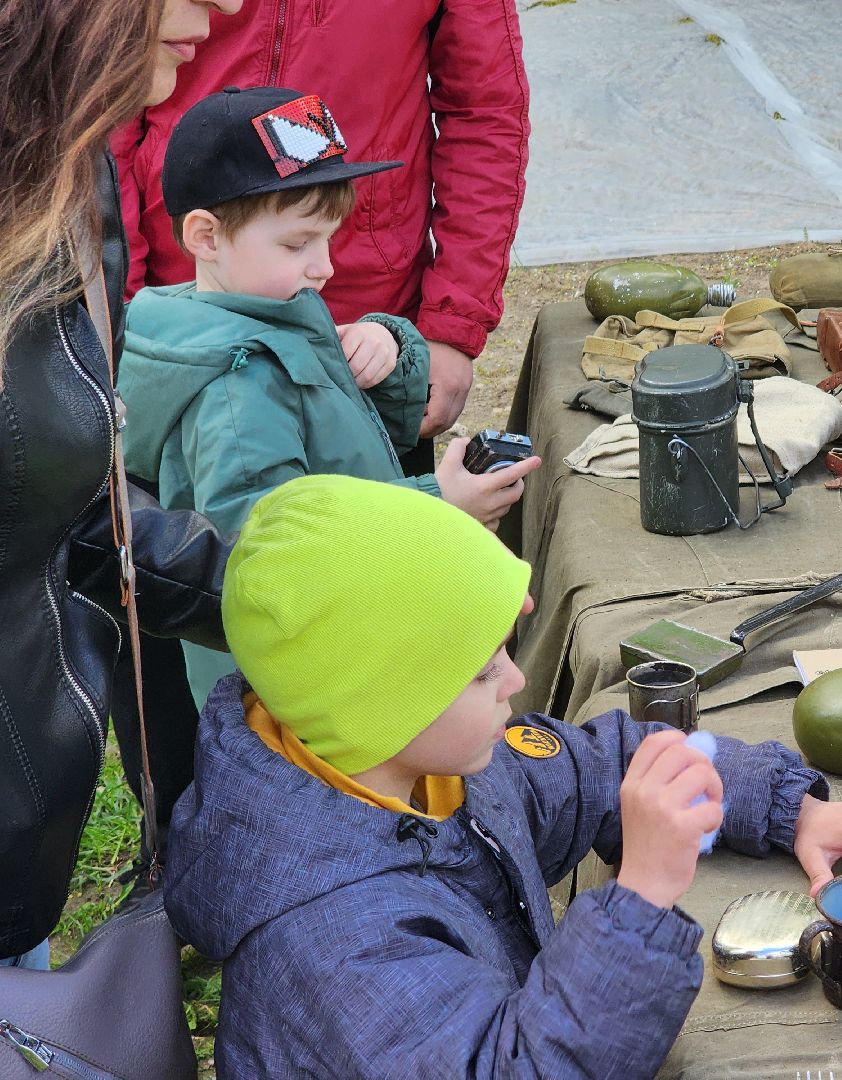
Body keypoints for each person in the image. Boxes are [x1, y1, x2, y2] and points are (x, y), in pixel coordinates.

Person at [164, 474, 842, 1077]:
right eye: (481, 672)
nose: (514, 682)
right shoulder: (330, 944)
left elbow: (604, 767)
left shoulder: (426, 767)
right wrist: (641, 897)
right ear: (379, 704)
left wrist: (786, 811)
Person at [108, 0, 530, 861]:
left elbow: (345, 429)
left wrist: (398, 347)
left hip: (327, 633)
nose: (326, 269)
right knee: (294, 830)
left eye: (330, 238)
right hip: (285, 680)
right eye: (302, 242)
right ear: (204, 236)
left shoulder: (271, 306)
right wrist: (433, 502)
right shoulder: (235, 385)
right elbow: (272, 545)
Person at [0, 0, 240, 968]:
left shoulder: (69, 167)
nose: (222, 6)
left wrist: (281, 583)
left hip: (21, 871)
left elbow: (65, 513)